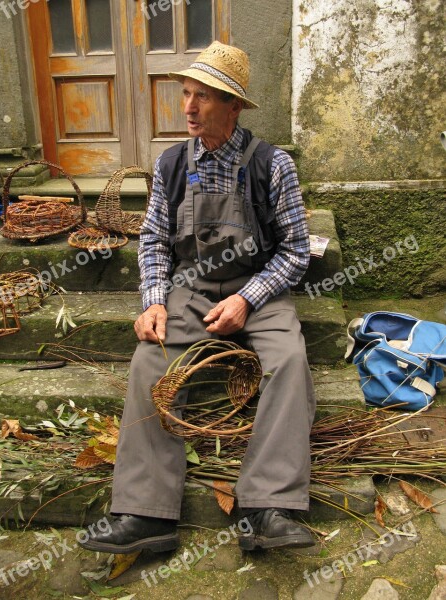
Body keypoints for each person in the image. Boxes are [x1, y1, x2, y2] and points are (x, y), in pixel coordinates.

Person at [79, 41, 316, 553]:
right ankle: (147, 515)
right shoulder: (169, 165)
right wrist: (154, 302)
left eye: (203, 98)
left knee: (290, 362)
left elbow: (296, 252)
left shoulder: (272, 165)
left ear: (233, 107)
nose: (188, 108)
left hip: (261, 288)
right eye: (186, 94)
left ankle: (267, 508)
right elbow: (156, 244)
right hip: (191, 288)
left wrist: (248, 300)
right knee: (150, 363)